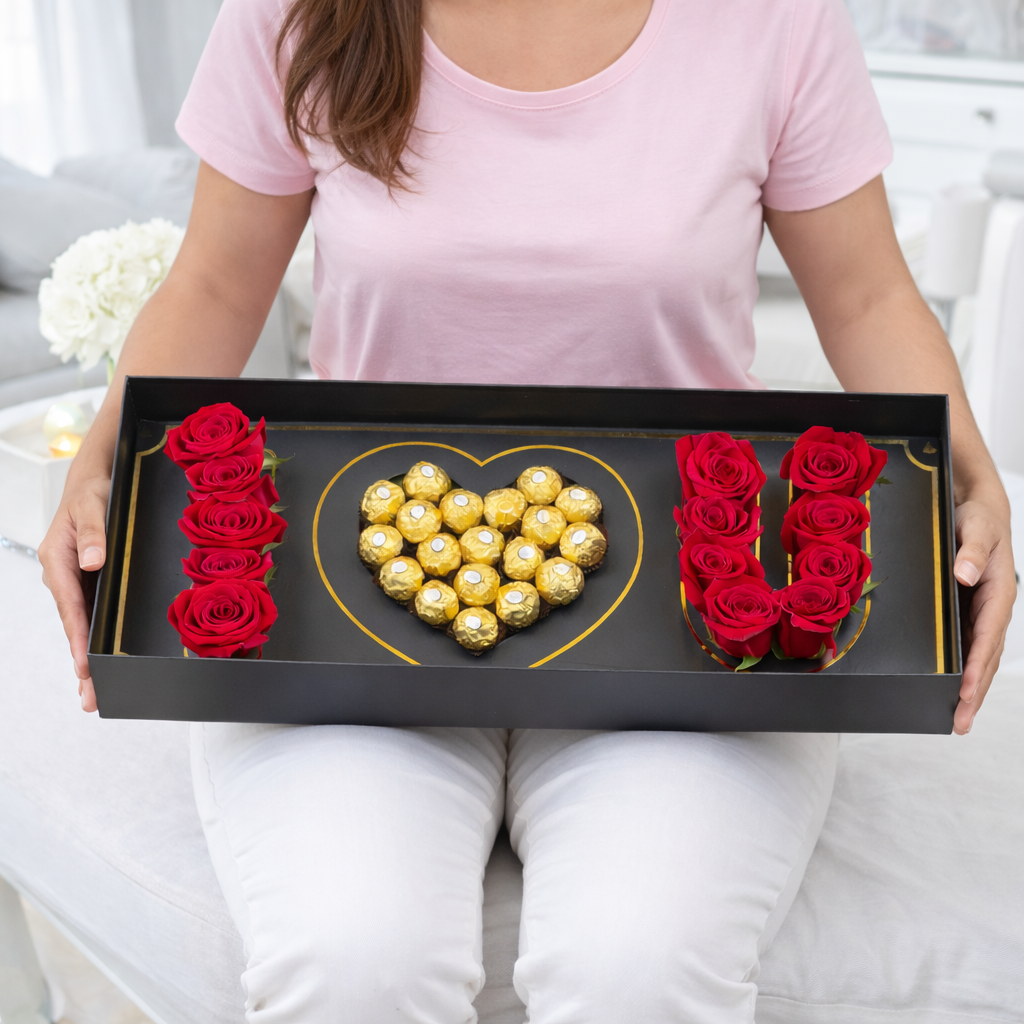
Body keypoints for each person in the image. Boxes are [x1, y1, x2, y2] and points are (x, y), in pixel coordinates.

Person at [39, 0, 1015, 1019]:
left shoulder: (773, 19)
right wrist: (106, 459)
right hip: (353, 623)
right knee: (352, 958)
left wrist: (969, 475)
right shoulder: (291, 14)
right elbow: (213, 282)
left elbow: (865, 296)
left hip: (690, 637)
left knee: (634, 968)